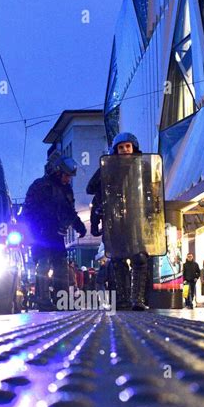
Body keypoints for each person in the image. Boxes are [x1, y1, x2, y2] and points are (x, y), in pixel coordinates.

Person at [87, 132, 154, 310]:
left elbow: (150, 191)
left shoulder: (143, 166)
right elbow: (91, 188)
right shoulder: (108, 167)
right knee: (118, 259)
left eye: (128, 146)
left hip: (136, 220)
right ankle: (123, 299)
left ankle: (137, 299)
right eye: (121, 147)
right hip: (115, 220)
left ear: (134, 148)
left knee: (139, 258)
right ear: (116, 150)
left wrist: (150, 211)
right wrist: (106, 169)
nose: (125, 150)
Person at [23, 153, 86, 311]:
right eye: (66, 176)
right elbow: (29, 211)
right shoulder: (40, 186)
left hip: (57, 236)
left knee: (61, 267)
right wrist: (37, 228)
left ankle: (61, 300)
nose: (68, 179)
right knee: (43, 264)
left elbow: (70, 211)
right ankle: (43, 299)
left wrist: (79, 226)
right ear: (57, 172)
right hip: (41, 234)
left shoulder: (66, 190)